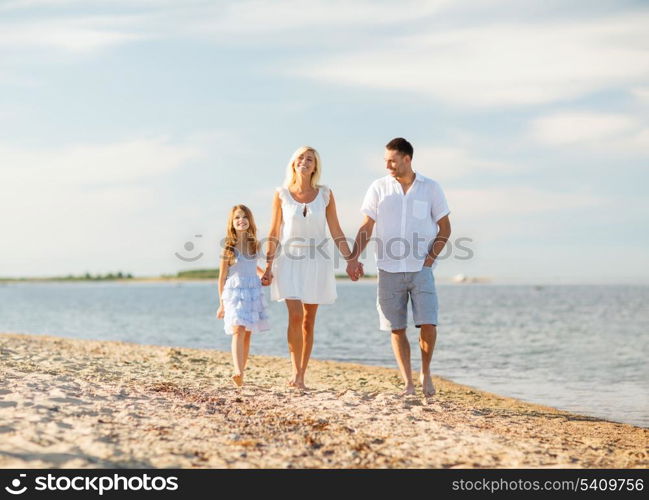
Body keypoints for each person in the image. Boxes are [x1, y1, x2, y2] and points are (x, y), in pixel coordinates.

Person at [347, 138, 451, 396]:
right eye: (386, 161)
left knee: (428, 322)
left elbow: (445, 228)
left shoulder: (431, 188)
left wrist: (429, 259)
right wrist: (352, 257)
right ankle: (408, 383)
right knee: (396, 327)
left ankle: (426, 374)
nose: (388, 165)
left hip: (421, 269)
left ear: (407, 159)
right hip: (388, 268)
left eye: (392, 160)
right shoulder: (378, 187)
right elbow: (366, 226)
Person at [263, 146, 354, 390]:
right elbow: (274, 231)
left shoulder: (325, 194)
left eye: (310, 159)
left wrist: (350, 259)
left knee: (308, 321)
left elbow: (335, 230)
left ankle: (302, 374)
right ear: (294, 163)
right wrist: (268, 265)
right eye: (301, 158)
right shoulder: (281, 194)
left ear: (315, 167)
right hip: (289, 259)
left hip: (317, 260)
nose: (305, 162)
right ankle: (294, 370)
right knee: (295, 315)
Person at [217, 204, 270, 387]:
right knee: (238, 329)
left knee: (247, 333)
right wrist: (221, 304)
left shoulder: (254, 245)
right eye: (237, 217)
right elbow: (221, 278)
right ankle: (237, 370)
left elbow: (253, 265)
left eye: (244, 217)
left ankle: (241, 373)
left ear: (250, 221)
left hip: (252, 291)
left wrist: (264, 274)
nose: (241, 220)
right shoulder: (228, 249)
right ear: (232, 223)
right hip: (234, 293)